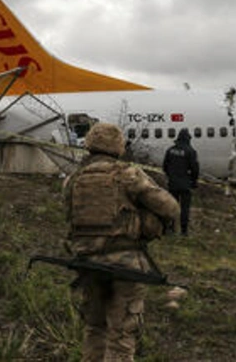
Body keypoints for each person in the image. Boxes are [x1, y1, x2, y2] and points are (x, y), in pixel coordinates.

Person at [63, 122, 179, 362]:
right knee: (122, 336)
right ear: (118, 146)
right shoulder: (128, 175)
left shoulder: (73, 180)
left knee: (94, 329)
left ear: (90, 145)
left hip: (86, 263)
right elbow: (170, 208)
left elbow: (70, 218)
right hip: (125, 265)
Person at [162, 128, 200, 235]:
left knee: (171, 207)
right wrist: (194, 181)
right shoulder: (191, 151)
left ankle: (169, 228)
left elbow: (165, 166)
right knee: (184, 208)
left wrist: (170, 176)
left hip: (172, 183)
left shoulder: (170, 150)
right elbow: (195, 169)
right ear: (188, 139)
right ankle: (184, 231)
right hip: (185, 184)